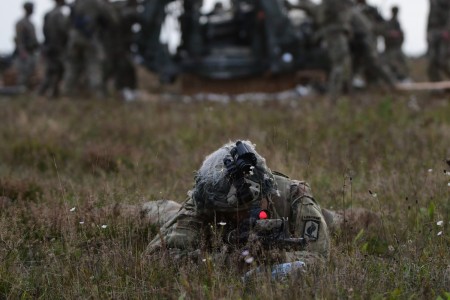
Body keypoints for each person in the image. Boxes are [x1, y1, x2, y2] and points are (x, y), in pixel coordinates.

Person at [145, 140, 331, 267]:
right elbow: (154, 258)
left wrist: (275, 258)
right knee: (158, 212)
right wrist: (228, 262)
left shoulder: (291, 197)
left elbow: (319, 256)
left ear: (265, 196)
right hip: (172, 211)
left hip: (313, 216)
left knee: (340, 221)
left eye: (247, 210)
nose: (238, 217)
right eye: (230, 212)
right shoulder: (206, 201)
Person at [285, 0, 353, 100]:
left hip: (334, 33)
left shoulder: (325, 6)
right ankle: (334, 95)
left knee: (342, 63)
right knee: (339, 63)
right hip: (335, 33)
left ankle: (342, 92)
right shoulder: (329, 5)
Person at [63, 0, 117, 98]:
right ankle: (97, 95)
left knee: (73, 67)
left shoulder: (76, 3)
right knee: (94, 66)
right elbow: (112, 20)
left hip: (74, 39)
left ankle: (67, 93)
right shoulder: (98, 3)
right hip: (90, 39)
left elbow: (67, 23)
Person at [38, 0, 70, 98]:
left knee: (51, 70)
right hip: (58, 47)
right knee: (59, 70)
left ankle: (44, 92)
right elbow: (63, 31)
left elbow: (44, 30)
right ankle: (52, 93)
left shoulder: (48, 14)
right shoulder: (59, 15)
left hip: (49, 46)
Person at [14, 1, 39, 89]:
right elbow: (19, 39)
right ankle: (21, 89)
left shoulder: (31, 24)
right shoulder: (21, 23)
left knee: (31, 72)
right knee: (23, 73)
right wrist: (22, 51)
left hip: (32, 51)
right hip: (24, 52)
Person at [382, 6, 409, 82]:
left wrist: (400, 38)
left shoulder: (397, 22)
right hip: (390, 48)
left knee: (403, 64)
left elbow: (401, 34)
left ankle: (404, 78)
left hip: (397, 47)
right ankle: (393, 80)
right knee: (392, 64)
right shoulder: (388, 23)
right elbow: (384, 33)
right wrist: (391, 34)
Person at [426, 0, 450, 82]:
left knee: (442, 61)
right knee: (432, 62)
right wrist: (427, 32)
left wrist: (447, 30)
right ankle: (437, 87)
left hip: (443, 31)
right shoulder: (433, 2)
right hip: (433, 32)